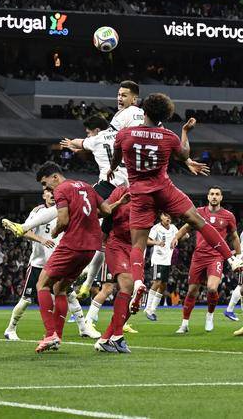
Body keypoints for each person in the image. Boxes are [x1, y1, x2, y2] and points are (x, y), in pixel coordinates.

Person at [107, 94, 242, 314]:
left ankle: (139, 282)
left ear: (144, 111)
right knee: (199, 221)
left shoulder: (125, 134)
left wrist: (112, 169)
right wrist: (185, 132)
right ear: (165, 116)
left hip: (139, 193)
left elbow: (116, 156)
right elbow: (185, 154)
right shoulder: (168, 137)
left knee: (138, 245)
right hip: (164, 190)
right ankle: (232, 259)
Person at [59, 80, 144, 299]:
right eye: (119, 95)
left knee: (75, 206)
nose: (119, 98)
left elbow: (83, 142)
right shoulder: (128, 132)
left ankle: (32, 228)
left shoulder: (104, 134)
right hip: (128, 191)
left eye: (123, 95)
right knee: (105, 238)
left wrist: (73, 143)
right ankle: (88, 282)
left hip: (108, 186)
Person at [31, 162, 127, 353]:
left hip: (72, 243)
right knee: (60, 288)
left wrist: (55, 231)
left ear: (55, 177)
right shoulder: (86, 186)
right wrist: (119, 203)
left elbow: (63, 219)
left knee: (42, 284)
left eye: (45, 183)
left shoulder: (61, 189)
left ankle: (50, 334)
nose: (47, 189)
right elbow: (106, 211)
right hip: (91, 248)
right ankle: (57, 337)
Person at [2, 189, 96, 341]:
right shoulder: (38, 211)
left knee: (70, 295)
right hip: (38, 263)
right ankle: (10, 329)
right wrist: (42, 240)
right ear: (43, 195)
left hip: (58, 262)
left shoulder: (64, 209)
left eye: (53, 192)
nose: (52, 195)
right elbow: (24, 230)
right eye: (48, 192)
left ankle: (83, 328)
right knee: (26, 299)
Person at [171, 186, 241, 333]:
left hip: (216, 257)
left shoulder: (228, 216)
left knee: (212, 288)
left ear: (221, 197)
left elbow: (234, 237)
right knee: (192, 291)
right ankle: (184, 324)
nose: (214, 196)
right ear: (208, 197)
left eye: (217, 194)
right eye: (212, 194)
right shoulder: (199, 212)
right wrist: (176, 237)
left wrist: (239, 256)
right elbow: (186, 227)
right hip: (198, 256)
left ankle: (209, 316)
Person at [93, 185, 134, 353]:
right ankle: (117, 336)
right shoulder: (121, 191)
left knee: (135, 300)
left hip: (136, 248)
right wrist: (120, 202)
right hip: (116, 244)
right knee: (125, 285)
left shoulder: (154, 196)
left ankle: (104, 339)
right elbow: (102, 211)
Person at [143, 212, 185, 321]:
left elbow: (180, 236)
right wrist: (157, 242)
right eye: (166, 216)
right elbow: (147, 241)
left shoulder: (173, 228)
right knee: (157, 282)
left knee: (163, 286)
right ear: (161, 217)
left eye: (169, 216)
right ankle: (147, 309)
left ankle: (153, 310)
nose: (168, 218)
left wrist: (185, 236)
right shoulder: (156, 228)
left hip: (167, 261)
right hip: (157, 260)